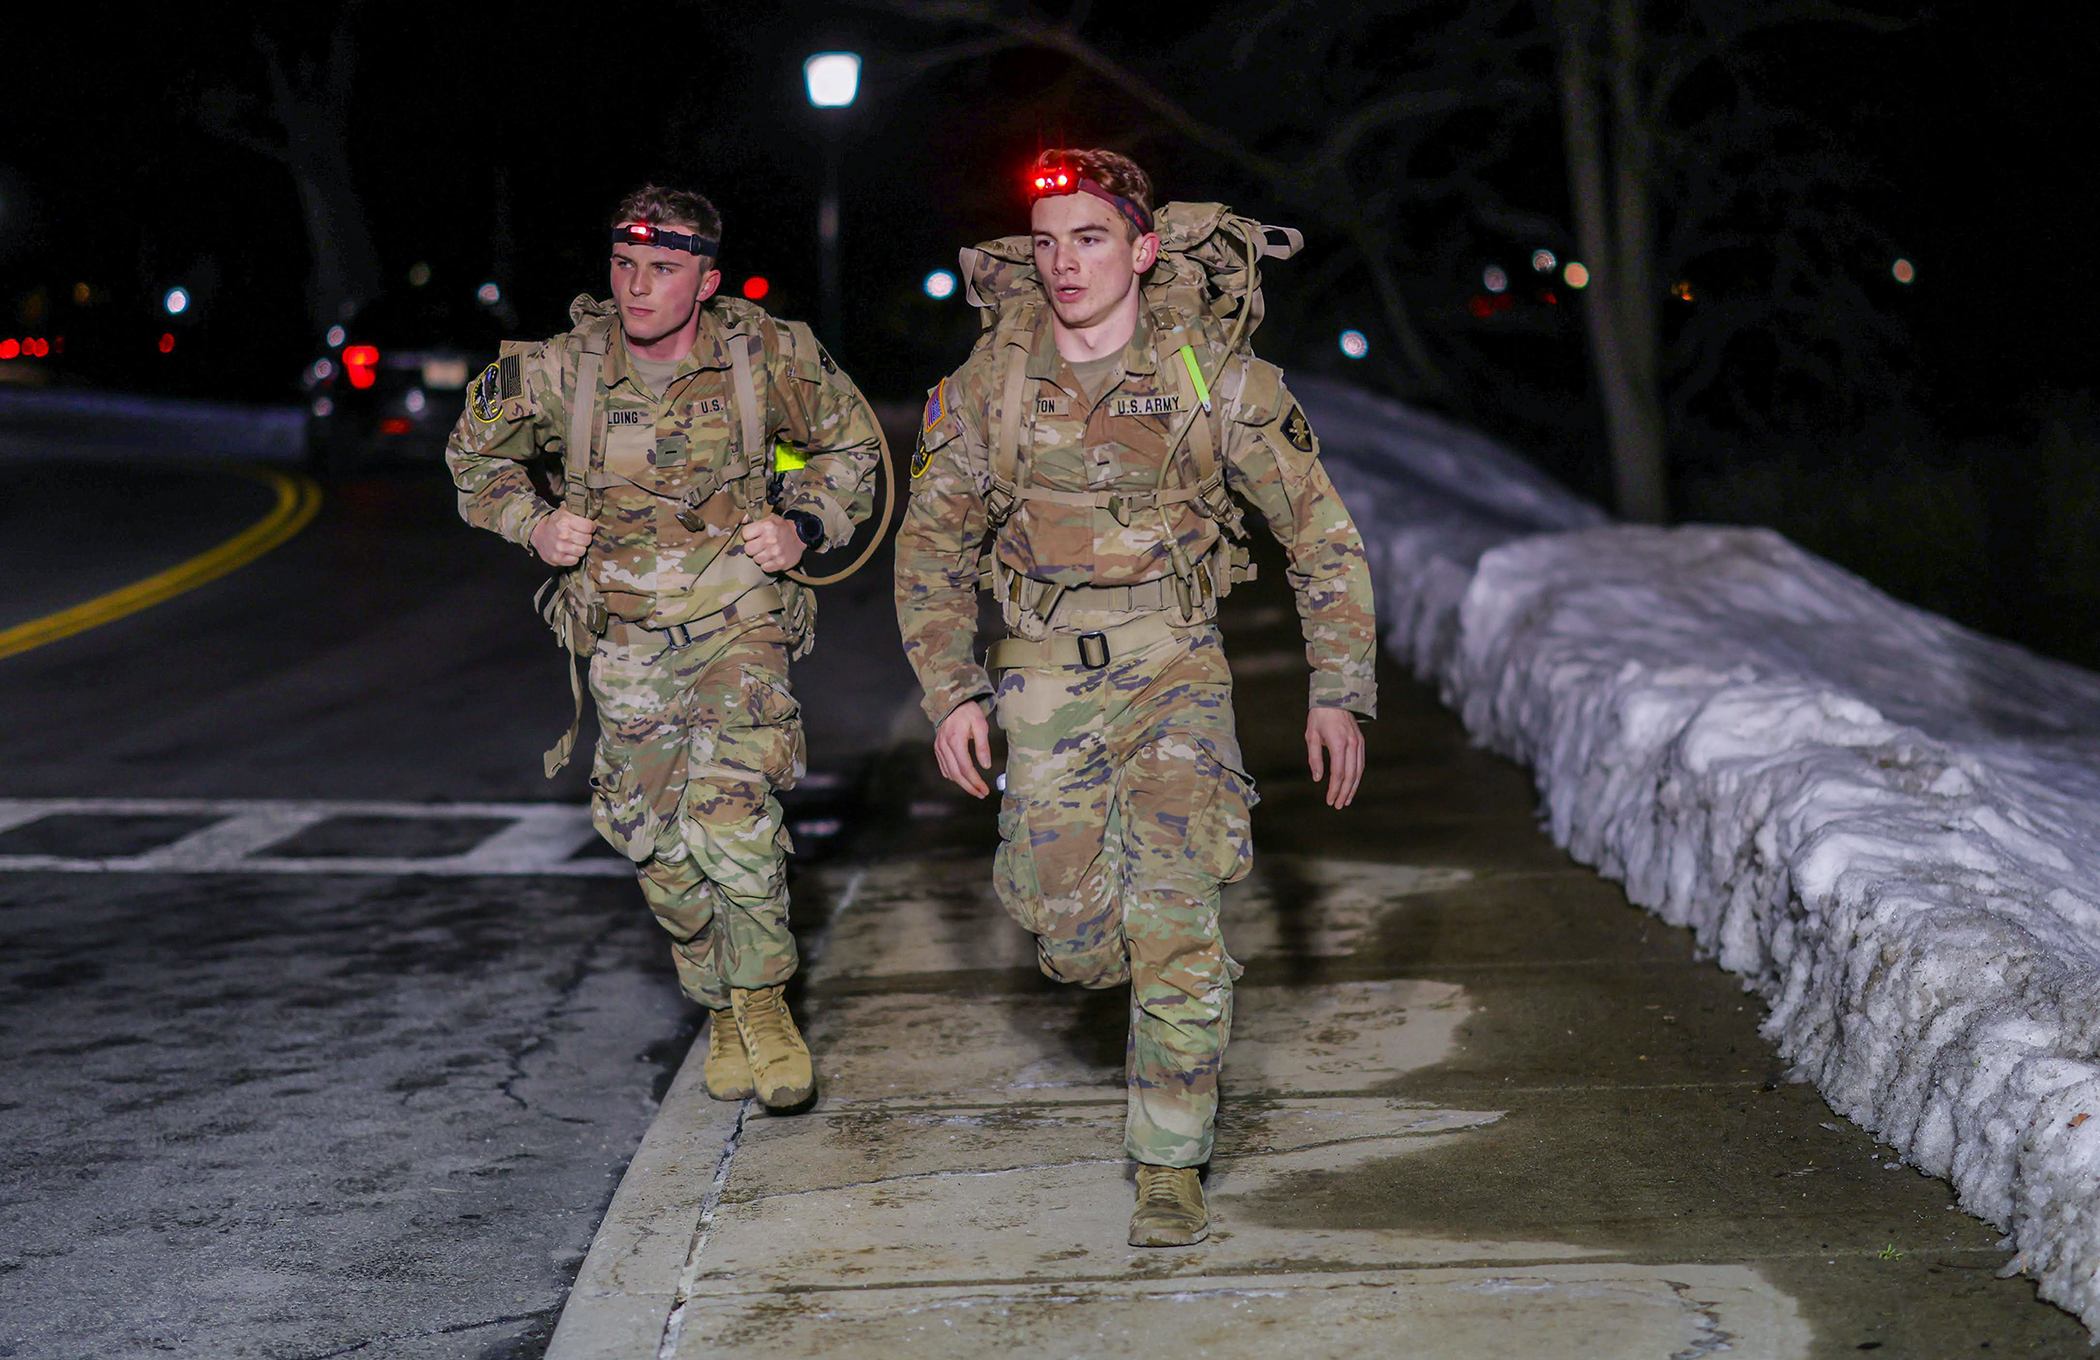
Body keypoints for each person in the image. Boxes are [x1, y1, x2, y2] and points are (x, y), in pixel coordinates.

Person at [893, 149, 1376, 1245]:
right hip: (1041, 673)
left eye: (1092, 238)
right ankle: (1127, 960)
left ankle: (1170, 1156)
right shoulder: (986, 389)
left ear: (1144, 249)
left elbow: (1321, 537)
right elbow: (931, 548)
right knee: (1069, 929)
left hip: (1175, 670)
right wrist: (952, 691)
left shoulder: (1220, 382)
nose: (1065, 262)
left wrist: (1337, 687)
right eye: (1049, 240)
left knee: (1177, 908)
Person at [448, 184, 884, 1112]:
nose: (638, 285)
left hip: (739, 625)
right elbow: (471, 460)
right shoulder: (555, 371)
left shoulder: (770, 356)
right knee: (655, 845)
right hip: (624, 640)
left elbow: (854, 448)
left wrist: (803, 521)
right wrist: (532, 523)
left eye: (663, 268)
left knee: (733, 817)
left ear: (707, 279)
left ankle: (766, 1005)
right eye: (624, 265)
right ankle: (718, 1006)